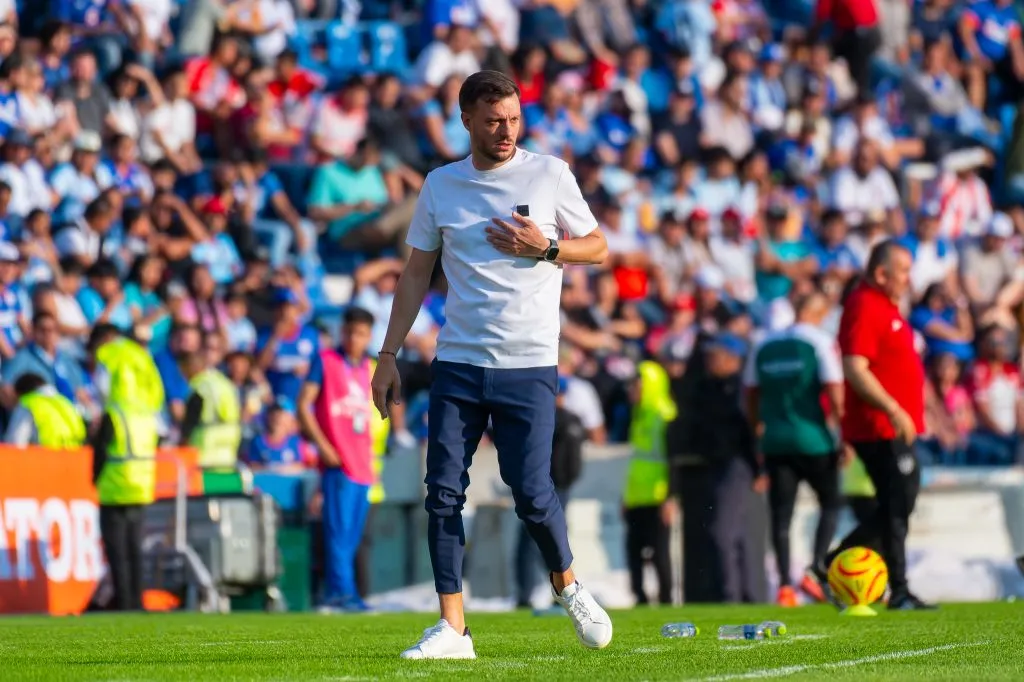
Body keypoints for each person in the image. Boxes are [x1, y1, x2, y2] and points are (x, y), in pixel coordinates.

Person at [371, 70, 612, 659]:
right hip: (457, 361)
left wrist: (548, 247)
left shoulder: (549, 173)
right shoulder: (441, 185)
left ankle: (567, 584)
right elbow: (414, 275)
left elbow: (599, 248)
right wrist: (388, 353)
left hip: (528, 362)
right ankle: (454, 628)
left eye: (513, 119)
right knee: (442, 494)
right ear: (467, 121)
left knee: (530, 492)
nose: (506, 131)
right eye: (493, 121)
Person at [826, 240, 934, 610]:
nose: (908, 279)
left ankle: (834, 565)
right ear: (881, 272)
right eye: (902, 270)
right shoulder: (864, 305)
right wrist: (892, 409)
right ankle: (896, 588)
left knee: (897, 503)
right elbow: (856, 367)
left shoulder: (886, 306)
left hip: (894, 426)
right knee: (896, 504)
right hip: (879, 426)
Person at [743, 292, 845, 607]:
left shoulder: (764, 345)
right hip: (813, 438)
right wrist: (843, 437)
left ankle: (786, 586)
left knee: (781, 515)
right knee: (831, 503)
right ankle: (815, 568)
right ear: (818, 312)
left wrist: (758, 426)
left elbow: (750, 393)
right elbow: (835, 391)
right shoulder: (819, 342)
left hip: (775, 440)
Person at [299, 306, 377, 613]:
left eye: (360, 334)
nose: (354, 339)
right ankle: (341, 595)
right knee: (338, 534)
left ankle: (343, 592)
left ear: (369, 336)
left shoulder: (368, 367)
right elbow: (303, 405)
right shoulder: (325, 361)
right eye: (349, 332)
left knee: (351, 536)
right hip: (338, 461)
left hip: (363, 464)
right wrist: (323, 446)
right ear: (341, 331)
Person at [89, 324, 164, 612]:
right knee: (135, 550)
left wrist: (94, 480)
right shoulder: (146, 416)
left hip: (113, 489)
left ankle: (124, 602)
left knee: (118, 552)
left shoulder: (114, 415)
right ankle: (137, 601)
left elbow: (100, 452)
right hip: (141, 488)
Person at [516, 377, 587, 610]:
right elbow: (574, 463)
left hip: (547, 486)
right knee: (550, 540)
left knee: (533, 542)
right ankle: (558, 589)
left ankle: (533, 592)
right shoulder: (571, 419)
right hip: (555, 486)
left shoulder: (547, 417)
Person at [622, 361, 676, 607]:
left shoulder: (664, 414)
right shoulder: (639, 415)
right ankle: (640, 596)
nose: (632, 390)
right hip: (636, 495)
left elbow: (672, 459)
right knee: (633, 551)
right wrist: (625, 495)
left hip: (657, 494)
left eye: (637, 384)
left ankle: (666, 598)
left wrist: (671, 496)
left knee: (659, 552)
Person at [179, 348, 243, 471]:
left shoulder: (200, 387)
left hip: (206, 451)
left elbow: (190, 421)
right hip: (228, 450)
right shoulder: (224, 382)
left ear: (191, 366)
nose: (183, 374)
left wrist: (183, 442)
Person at [3, 372, 86, 448]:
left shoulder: (28, 403)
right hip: (75, 460)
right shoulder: (66, 403)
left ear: (19, 393)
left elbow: (14, 442)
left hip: (45, 460)